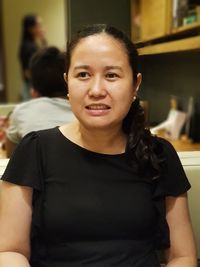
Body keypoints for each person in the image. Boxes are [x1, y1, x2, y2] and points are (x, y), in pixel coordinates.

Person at [0, 24, 197, 267]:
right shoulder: (35, 150)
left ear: (135, 84)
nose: (96, 90)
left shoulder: (159, 155)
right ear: (67, 83)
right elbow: (10, 251)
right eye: (83, 75)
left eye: (112, 75)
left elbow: (182, 257)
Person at [5, 46, 75, 157]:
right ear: (68, 79)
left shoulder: (21, 111)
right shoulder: (81, 111)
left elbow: (11, 156)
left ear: (34, 88)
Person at [19, 14, 47, 100]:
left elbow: (45, 58)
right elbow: (27, 72)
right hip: (31, 88)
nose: (41, 28)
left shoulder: (32, 45)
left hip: (32, 87)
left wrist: (43, 40)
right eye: (39, 25)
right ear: (30, 28)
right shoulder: (28, 47)